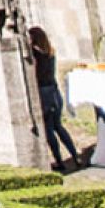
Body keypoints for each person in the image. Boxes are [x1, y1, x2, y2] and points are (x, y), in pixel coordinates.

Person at [30, 27, 82, 171]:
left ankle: (59, 161)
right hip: (54, 91)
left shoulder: (34, 54)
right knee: (58, 126)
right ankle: (75, 155)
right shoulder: (51, 51)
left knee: (49, 129)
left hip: (43, 92)